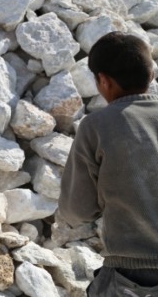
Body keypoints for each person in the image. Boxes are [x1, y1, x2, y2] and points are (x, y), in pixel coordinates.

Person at [58, 32, 158, 296]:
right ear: (151, 74)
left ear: (103, 80)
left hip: (134, 276)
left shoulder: (97, 127)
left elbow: (77, 210)